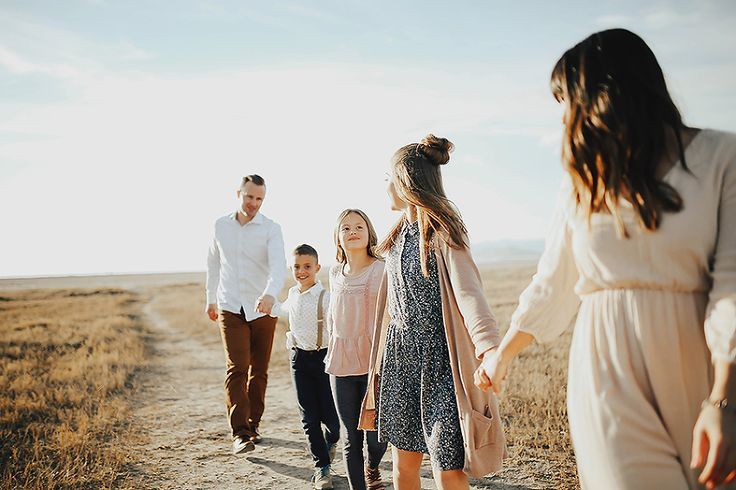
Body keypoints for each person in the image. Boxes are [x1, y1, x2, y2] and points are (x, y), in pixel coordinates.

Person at [475, 28, 736, 489]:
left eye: (566, 103)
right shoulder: (583, 180)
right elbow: (553, 281)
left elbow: (732, 287)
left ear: (605, 97)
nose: (562, 122)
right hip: (604, 371)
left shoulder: (723, 157)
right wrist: (503, 356)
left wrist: (722, 400)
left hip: (701, 367)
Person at [358, 135, 506, 490]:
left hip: (441, 362)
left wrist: (488, 349)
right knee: (404, 467)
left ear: (408, 183)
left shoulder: (444, 232)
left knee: (448, 466)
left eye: (390, 177)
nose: (386, 185)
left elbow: (470, 294)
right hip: (399, 358)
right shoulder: (394, 236)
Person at [205, 174, 286, 455]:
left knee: (259, 371)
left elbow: (278, 266)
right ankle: (239, 433)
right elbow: (213, 264)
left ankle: (253, 424)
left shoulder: (271, 229)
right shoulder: (220, 226)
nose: (254, 203)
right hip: (230, 306)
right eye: (249, 197)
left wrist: (269, 294)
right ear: (238, 194)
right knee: (237, 366)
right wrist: (210, 299)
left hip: (263, 308)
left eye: (259, 198)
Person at [325, 209, 388, 490]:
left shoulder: (382, 268)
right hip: (341, 363)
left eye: (359, 226)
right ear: (338, 238)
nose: (352, 231)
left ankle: (372, 466)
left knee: (376, 439)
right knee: (352, 437)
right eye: (345, 227)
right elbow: (332, 316)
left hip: (377, 364)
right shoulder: (334, 272)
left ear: (368, 233)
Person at [272, 244, 340, 489]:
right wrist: (265, 304)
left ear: (317, 268)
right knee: (309, 418)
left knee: (332, 420)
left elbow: (336, 327)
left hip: (324, 360)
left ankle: (331, 442)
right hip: (299, 361)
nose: (301, 271)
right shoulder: (292, 295)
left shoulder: (326, 297)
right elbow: (280, 309)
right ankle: (322, 467)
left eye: (307, 267)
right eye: (297, 267)